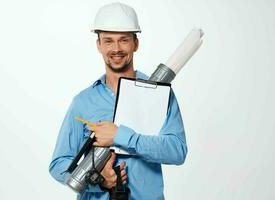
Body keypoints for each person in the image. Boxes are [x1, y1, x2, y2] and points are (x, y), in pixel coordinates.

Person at [49, 2, 187, 200]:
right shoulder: (83, 102)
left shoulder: (159, 94)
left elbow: (177, 151)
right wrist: (98, 181)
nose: (116, 48)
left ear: (135, 43)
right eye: (108, 41)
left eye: (123, 40)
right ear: (99, 45)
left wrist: (121, 137)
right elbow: (58, 165)